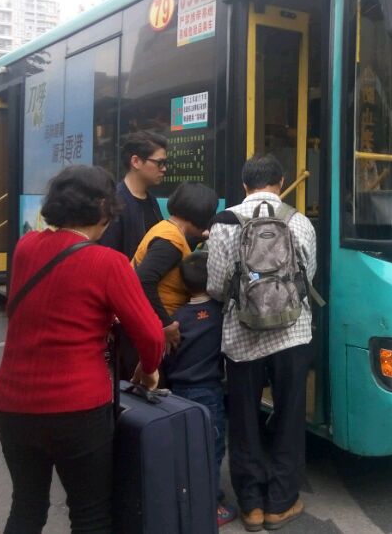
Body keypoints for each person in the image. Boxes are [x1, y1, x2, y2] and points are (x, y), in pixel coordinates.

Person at [0, 165, 165, 534]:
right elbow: (152, 335)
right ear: (104, 210)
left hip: (12, 403)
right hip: (78, 410)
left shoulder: (25, 247)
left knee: (26, 505)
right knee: (90, 514)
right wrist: (149, 369)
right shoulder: (108, 262)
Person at [207, 154, 317, 532]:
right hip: (292, 334)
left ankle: (251, 506)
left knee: (244, 420)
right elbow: (307, 277)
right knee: (289, 417)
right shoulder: (298, 221)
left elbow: (216, 286)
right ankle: (281, 504)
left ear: (244, 185)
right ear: (281, 182)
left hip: (242, 338)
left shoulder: (224, 223)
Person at [162, 251, 237, 527]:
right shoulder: (220, 313)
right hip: (208, 393)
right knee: (211, 450)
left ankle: (186, 501)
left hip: (179, 393)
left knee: (186, 450)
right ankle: (210, 507)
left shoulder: (176, 319)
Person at [99, 131, 168, 379]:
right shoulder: (116, 204)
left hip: (148, 303)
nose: (164, 169)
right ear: (136, 161)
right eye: (159, 163)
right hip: (126, 311)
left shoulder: (151, 201)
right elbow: (108, 262)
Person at [134, 181, 219, 353]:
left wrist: (202, 236)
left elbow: (179, 248)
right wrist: (166, 324)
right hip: (154, 328)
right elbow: (143, 280)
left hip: (148, 323)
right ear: (202, 215)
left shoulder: (166, 228)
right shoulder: (170, 243)